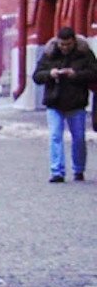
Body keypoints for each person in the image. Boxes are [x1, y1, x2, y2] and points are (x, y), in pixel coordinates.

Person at [32, 26, 97, 183]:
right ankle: (57, 171)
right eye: (62, 44)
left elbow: (94, 73)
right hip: (54, 102)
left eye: (68, 44)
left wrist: (76, 75)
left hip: (77, 102)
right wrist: (50, 74)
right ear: (58, 42)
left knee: (79, 138)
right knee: (55, 136)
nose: (65, 47)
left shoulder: (84, 53)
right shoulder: (49, 53)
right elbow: (37, 76)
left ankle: (78, 170)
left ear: (74, 41)